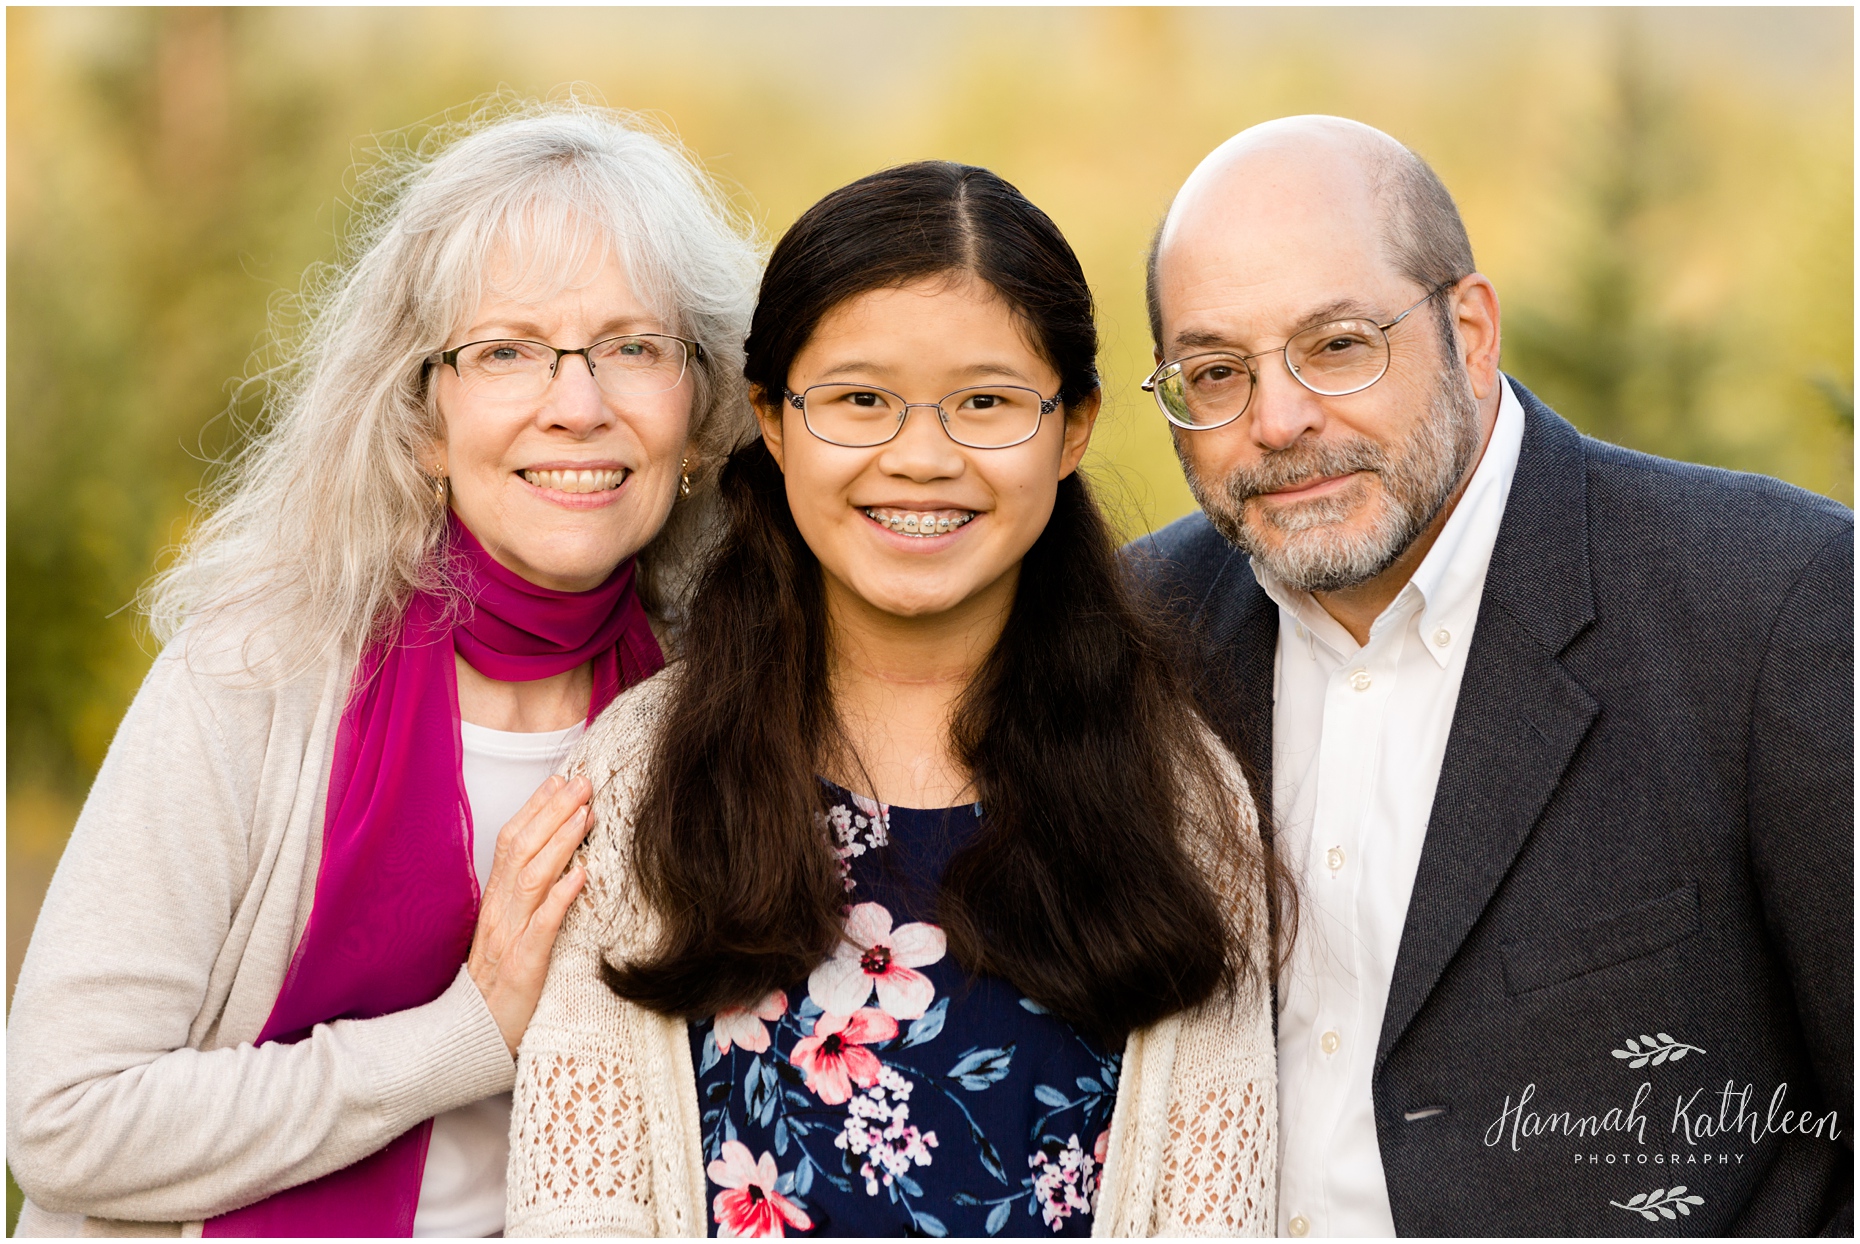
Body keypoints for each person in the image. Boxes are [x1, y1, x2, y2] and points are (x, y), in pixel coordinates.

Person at [5, 103, 760, 1237]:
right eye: (506, 349)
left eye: (632, 347)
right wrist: (462, 1033)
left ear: (701, 412)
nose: (578, 404)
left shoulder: (724, 702)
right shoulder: (259, 670)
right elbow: (65, 1119)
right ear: (421, 419)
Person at [505, 161, 1279, 1238]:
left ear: (1076, 427)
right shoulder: (643, 772)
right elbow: (577, 1204)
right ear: (772, 420)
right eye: (860, 399)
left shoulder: (1180, 799)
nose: (921, 457)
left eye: (987, 402)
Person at [1129, 115, 1853, 1236]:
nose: (1277, 420)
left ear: (1469, 331)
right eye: (1215, 372)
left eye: (1337, 344)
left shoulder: (1774, 601)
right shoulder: (1140, 636)